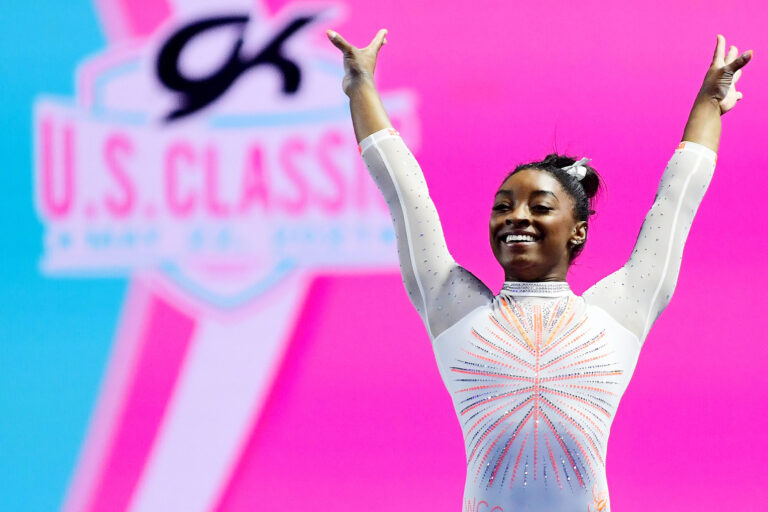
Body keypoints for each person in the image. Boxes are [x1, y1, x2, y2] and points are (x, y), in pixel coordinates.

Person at [327, 28, 752, 512]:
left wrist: (709, 104)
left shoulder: (621, 310)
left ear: (578, 231)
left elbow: (676, 201)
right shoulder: (452, 304)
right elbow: (405, 195)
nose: (517, 217)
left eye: (540, 206)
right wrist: (361, 84)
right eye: (503, 205)